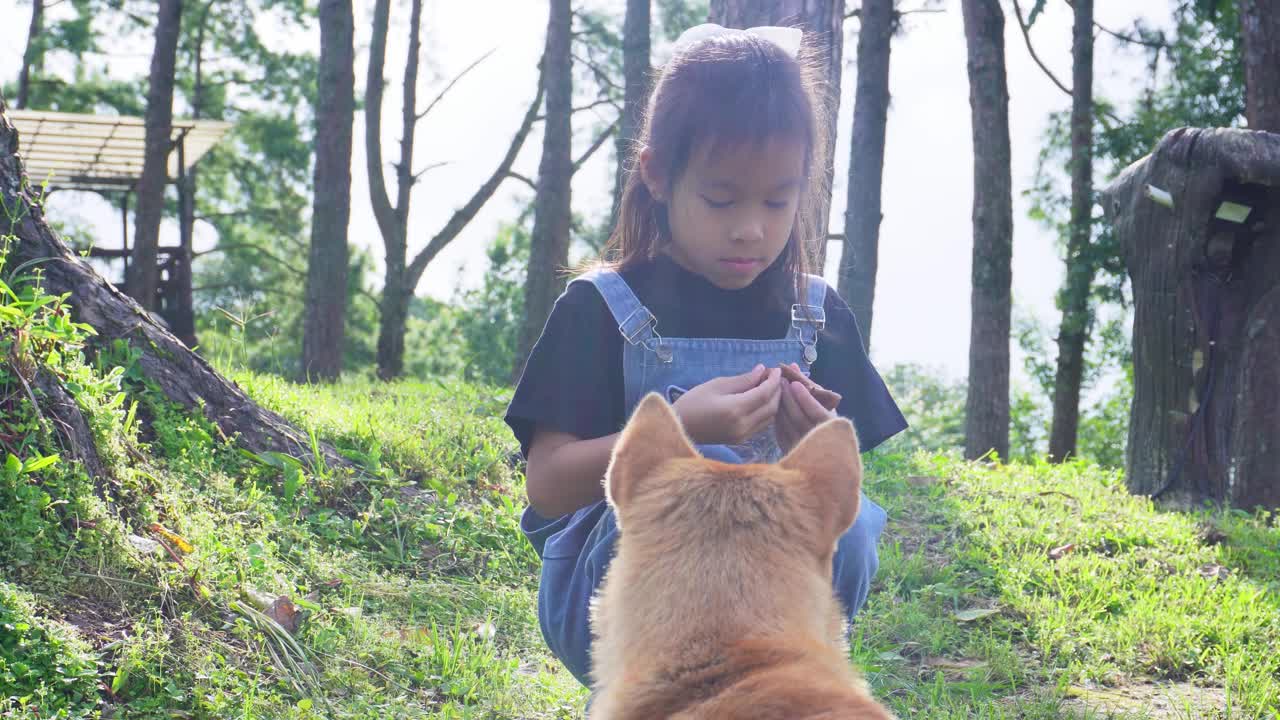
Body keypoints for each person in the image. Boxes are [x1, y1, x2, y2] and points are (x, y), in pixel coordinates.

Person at [504, 23, 908, 688]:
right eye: (722, 198)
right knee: (711, 471)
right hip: (618, 605)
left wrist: (818, 446)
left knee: (858, 520)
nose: (752, 226)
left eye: (779, 200)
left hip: (779, 618)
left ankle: (793, 685)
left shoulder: (817, 314)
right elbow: (546, 484)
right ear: (658, 174)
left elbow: (839, 501)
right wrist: (682, 431)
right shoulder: (601, 309)